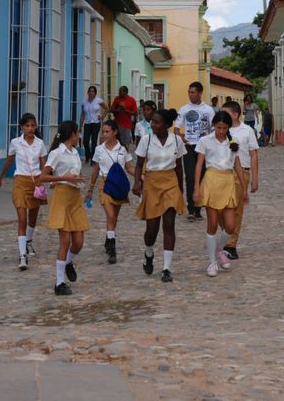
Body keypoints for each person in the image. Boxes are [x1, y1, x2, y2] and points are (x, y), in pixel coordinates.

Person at [132, 108, 187, 282]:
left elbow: (179, 166)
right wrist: (136, 183)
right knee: (151, 230)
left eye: (156, 122)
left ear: (166, 125)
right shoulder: (146, 141)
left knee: (169, 224)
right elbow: (139, 164)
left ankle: (166, 268)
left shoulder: (177, 141)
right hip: (152, 183)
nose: (152, 124)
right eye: (152, 121)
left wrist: (181, 188)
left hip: (170, 182)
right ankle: (149, 252)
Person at [193, 111, 248, 277]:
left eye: (225, 128)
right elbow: (199, 165)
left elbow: (237, 165)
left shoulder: (233, 142)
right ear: (213, 126)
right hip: (211, 180)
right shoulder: (205, 141)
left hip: (228, 181)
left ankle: (218, 250)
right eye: (219, 127)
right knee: (212, 224)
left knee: (230, 225)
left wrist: (244, 188)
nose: (222, 131)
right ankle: (212, 261)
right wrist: (196, 187)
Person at [40, 121, 89, 295]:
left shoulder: (75, 153)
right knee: (65, 240)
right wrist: (62, 178)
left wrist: (78, 178)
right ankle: (59, 282)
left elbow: (74, 173)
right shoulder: (56, 153)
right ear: (72, 134)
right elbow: (43, 176)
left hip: (75, 197)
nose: (79, 136)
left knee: (78, 242)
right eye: (78, 133)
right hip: (61, 195)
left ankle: (68, 262)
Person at [0, 113, 48, 271]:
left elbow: (44, 164)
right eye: (27, 126)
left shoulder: (40, 144)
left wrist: (49, 179)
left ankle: (29, 242)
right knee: (22, 219)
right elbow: (10, 160)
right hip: (20, 181)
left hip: (36, 181)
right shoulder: (15, 143)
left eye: (33, 125)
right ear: (22, 127)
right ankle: (22, 255)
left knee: (33, 217)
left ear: (36, 127)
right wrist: (0, 177)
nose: (30, 128)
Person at [85, 120, 135, 264]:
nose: (104, 134)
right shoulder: (99, 150)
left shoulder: (122, 150)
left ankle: (109, 238)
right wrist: (90, 189)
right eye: (103, 132)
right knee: (111, 215)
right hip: (105, 184)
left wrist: (140, 176)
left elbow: (129, 168)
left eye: (107, 132)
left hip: (119, 185)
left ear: (115, 132)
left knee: (114, 218)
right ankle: (112, 249)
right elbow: (95, 170)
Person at [221, 101, 259, 260]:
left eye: (226, 113)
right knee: (221, 208)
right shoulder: (221, 130)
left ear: (235, 114)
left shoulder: (247, 131)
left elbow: (253, 154)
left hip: (242, 171)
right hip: (223, 172)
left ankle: (231, 244)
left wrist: (255, 179)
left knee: (236, 210)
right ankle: (225, 235)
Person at [176, 81, 215, 220]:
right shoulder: (184, 109)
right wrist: (181, 136)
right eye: (189, 92)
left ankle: (199, 208)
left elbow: (213, 128)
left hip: (203, 148)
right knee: (191, 176)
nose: (190, 95)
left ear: (199, 93)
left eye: (193, 92)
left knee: (203, 177)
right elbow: (176, 128)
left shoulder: (208, 110)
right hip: (189, 147)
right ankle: (191, 208)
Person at [79, 86, 104, 164]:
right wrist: (80, 126)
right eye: (90, 91)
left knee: (94, 141)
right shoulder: (84, 102)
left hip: (96, 123)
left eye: (93, 91)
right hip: (87, 123)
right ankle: (88, 155)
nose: (91, 92)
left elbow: (107, 108)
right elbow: (82, 114)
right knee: (85, 141)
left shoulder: (98, 100)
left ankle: (93, 160)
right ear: (88, 92)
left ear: (95, 93)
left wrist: (102, 116)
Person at [110, 86, 138, 150]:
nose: (118, 93)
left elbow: (135, 112)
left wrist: (126, 110)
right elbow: (111, 109)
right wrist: (118, 110)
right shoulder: (117, 99)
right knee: (117, 142)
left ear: (125, 92)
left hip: (127, 125)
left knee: (126, 143)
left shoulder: (132, 100)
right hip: (117, 124)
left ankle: (125, 157)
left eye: (120, 91)